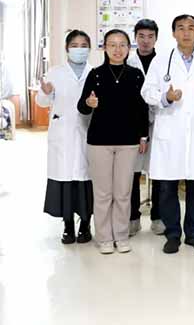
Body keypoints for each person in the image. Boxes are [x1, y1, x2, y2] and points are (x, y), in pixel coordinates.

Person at [141, 14, 194, 254]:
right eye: (181, 28)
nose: (186, 32)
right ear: (174, 33)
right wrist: (165, 97)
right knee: (167, 187)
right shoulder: (161, 61)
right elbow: (147, 91)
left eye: (191, 28)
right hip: (170, 132)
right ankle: (173, 234)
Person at [78, 29, 149, 254]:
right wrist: (89, 103)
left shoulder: (136, 75)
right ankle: (104, 238)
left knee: (123, 192)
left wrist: (143, 136)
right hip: (99, 141)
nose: (117, 49)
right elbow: (81, 107)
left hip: (128, 142)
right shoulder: (95, 75)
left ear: (129, 48)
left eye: (122, 45)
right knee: (102, 193)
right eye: (112, 45)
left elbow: (142, 109)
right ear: (104, 48)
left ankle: (121, 235)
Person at [38, 30, 94, 244]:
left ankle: (85, 225)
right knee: (65, 181)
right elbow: (42, 102)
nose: (79, 49)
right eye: (75, 45)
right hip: (62, 133)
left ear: (89, 49)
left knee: (86, 181)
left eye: (84, 45)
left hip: (87, 132)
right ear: (67, 48)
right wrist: (45, 92)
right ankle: (68, 225)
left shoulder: (94, 73)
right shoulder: (55, 72)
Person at [127, 19, 164, 236]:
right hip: (133, 125)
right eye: (141, 36)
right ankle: (133, 217)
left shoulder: (165, 63)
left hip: (160, 122)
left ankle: (158, 217)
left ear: (156, 38)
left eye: (150, 36)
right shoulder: (128, 62)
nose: (146, 41)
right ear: (135, 38)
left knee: (159, 172)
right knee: (131, 173)